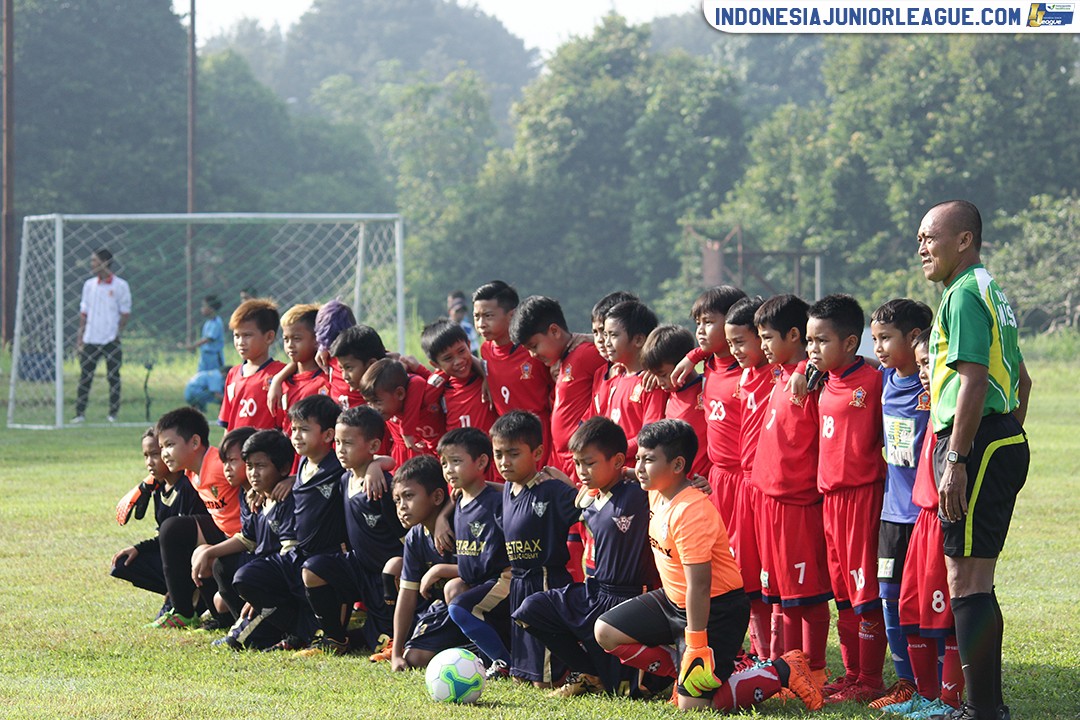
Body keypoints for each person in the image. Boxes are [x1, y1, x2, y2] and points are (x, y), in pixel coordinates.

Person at [593, 419, 822, 712]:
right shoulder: (657, 486)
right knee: (606, 631)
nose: (638, 467)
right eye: (637, 458)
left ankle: (782, 670)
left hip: (716, 610)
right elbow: (630, 473)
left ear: (677, 465)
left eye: (648, 460)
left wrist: (697, 644)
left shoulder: (691, 511)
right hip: (674, 602)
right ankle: (685, 674)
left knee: (694, 708)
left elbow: (700, 586)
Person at [918, 199, 1031, 720]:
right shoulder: (992, 291)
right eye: (919, 239)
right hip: (999, 437)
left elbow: (973, 380)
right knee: (977, 580)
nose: (922, 247)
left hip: (976, 441)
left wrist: (960, 456)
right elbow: (1021, 380)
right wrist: (1007, 434)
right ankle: (988, 707)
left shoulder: (963, 294)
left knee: (965, 581)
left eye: (931, 237)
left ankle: (979, 711)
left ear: (964, 240)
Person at [513, 417, 656, 697]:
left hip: (629, 598)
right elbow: (577, 497)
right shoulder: (587, 498)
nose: (582, 471)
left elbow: (670, 486)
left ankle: (628, 672)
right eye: (578, 463)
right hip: (594, 592)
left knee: (626, 693)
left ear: (616, 461)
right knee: (530, 611)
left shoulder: (639, 494)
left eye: (589, 463)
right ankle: (590, 672)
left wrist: (694, 482)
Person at [806, 293, 889, 704]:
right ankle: (853, 673)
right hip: (830, 501)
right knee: (842, 593)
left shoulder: (874, 383)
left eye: (821, 341)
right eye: (809, 341)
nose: (812, 350)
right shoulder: (820, 380)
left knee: (865, 591)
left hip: (862, 499)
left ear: (851, 343)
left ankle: (871, 679)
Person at [750, 294, 831, 685]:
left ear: (795, 335)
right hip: (768, 500)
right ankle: (786, 670)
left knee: (807, 595)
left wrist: (806, 366)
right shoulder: (782, 374)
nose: (762, 345)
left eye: (767, 337)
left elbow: (849, 368)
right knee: (780, 595)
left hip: (797, 504)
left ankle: (813, 672)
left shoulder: (810, 376)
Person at [887, 329, 965, 716]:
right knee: (911, 610)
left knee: (945, 618)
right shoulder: (930, 406)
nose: (922, 371)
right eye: (920, 364)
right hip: (921, 520)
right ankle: (926, 696)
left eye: (929, 363)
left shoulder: (957, 415)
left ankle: (948, 703)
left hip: (943, 521)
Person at [233, 395, 347, 650]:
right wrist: (291, 480)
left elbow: (368, 467)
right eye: (294, 429)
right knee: (246, 577)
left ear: (328, 436)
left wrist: (378, 466)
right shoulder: (305, 464)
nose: (296, 436)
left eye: (304, 430)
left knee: (311, 585)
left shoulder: (339, 466)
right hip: (298, 554)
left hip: (325, 556)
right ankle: (295, 628)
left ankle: (312, 635)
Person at [866, 297, 934, 711]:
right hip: (891, 512)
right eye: (874, 339)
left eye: (886, 338)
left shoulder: (933, 384)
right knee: (889, 594)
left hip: (923, 512)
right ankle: (905, 681)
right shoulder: (882, 380)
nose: (878, 348)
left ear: (914, 338)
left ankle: (935, 685)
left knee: (923, 600)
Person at [298, 405, 404, 657]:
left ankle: (394, 639)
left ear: (373, 444)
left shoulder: (383, 487)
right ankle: (334, 638)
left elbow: (405, 537)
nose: (340, 449)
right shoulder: (345, 478)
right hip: (358, 567)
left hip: (387, 576)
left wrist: (377, 465)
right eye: (337, 442)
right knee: (312, 569)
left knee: (378, 641)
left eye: (347, 443)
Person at [494, 410, 579, 687]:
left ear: (538, 452)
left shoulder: (551, 489)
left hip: (545, 579)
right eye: (498, 454)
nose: (504, 462)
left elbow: (588, 507)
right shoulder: (507, 489)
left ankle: (574, 670)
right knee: (522, 677)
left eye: (513, 453)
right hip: (518, 580)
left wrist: (567, 483)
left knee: (544, 680)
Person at [194, 429, 297, 650]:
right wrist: (210, 552)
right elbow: (249, 538)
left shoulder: (289, 498)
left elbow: (290, 553)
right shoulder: (254, 496)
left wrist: (258, 591)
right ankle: (246, 621)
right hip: (263, 575)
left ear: (284, 468)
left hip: (281, 582)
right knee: (224, 564)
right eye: (249, 466)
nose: (252, 473)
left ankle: (288, 629)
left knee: (238, 643)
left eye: (259, 466)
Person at [151, 407, 243, 629]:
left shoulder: (219, 465)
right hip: (224, 532)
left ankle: (224, 616)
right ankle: (183, 610)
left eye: (170, 445)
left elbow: (250, 474)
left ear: (194, 443)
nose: (164, 453)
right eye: (161, 447)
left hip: (245, 538)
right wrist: (144, 485)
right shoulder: (191, 470)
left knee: (204, 557)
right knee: (173, 530)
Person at [436, 428, 513, 677]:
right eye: (445, 463)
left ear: (481, 461)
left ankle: (504, 663)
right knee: (454, 591)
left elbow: (514, 492)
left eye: (456, 461)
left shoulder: (496, 500)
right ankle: (488, 659)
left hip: (502, 578)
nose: (449, 469)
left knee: (461, 608)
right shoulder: (458, 499)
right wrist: (442, 517)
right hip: (477, 581)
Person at [725, 296, 777, 661]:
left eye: (741, 342)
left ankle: (784, 657)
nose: (736, 351)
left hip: (772, 487)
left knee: (773, 578)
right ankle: (760, 653)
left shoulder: (787, 373)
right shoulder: (745, 373)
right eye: (731, 344)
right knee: (746, 576)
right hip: (743, 486)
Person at [670, 286, 748, 527]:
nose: (700, 330)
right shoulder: (710, 364)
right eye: (698, 323)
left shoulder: (751, 370)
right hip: (716, 477)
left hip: (744, 479)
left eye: (708, 322)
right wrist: (695, 355)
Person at [509, 295, 606, 483]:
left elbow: (619, 352)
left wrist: (592, 339)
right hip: (564, 461)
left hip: (583, 461)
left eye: (534, 346)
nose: (532, 354)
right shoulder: (561, 362)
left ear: (554, 331)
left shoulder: (585, 353)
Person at [110, 427, 205, 615]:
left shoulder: (189, 486)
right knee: (123, 563)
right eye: (145, 456)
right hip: (175, 559)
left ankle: (186, 601)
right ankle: (180, 593)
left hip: (196, 560)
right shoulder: (158, 489)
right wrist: (139, 549)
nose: (149, 462)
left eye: (155, 454)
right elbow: (164, 536)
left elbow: (189, 539)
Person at [388, 455, 469, 670]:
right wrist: (396, 653)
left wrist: (440, 570)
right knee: (414, 658)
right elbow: (406, 594)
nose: (401, 507)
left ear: (437, 497)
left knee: (456, 588)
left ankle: (488, 653)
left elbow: (483, 571)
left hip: (480, 603)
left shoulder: (461, 523)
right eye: (397, 500)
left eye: (408, 496)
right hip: (442, 607)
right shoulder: (415, 536)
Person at [474, 281, 555, 463]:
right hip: (506, 439)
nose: (481, 324)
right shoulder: (485, 349)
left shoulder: (534, 349)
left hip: (538, 435)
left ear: (511, 315)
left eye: (488, 316)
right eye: (476, 316)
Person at [641, 325, 710, 479]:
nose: (659, 382)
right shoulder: (667, 394)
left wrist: (694, 357)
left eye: (663, 374)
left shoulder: (706, 388)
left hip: (702, 483)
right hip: (676, 485)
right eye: (655, 375)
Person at [73, 248, 131, 423]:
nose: (92, 264)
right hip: (91, 338)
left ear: (105, 262)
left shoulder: (120, 285)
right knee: (85, 377)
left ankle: (113, 414)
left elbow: (125, 313)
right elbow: (84, 313)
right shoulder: (89, 285)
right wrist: (80, 338)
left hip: (110, 339)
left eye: (94, 261)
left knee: (113, 377)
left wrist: (116, 332)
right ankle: (80, 414)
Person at [602, 300, 665, 460]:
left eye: (614, 335)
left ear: (638, 340)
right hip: (612, 467)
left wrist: (614, 453)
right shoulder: (616, 377)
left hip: (634, 474)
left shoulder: (651, 382)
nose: (606, 342)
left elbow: (649, 434)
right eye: (605, 335)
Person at [360, 358, 445, 467]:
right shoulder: (389, 407)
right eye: (369, 402)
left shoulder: (425, 399)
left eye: (377, 401)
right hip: (401, 462)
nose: (373, 408)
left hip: (434, 460)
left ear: (400, 394)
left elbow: (420, 381)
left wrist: (407, 431)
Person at [420, 320, 498, 434]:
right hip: (454, 451)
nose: (458, 361)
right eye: (448, 358)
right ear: (435, 365)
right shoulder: (439, 390)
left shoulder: (488, 379)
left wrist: (486, 375)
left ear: (469, 345)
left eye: (461, 351)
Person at [218, 298, 285, 431]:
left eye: (247, 335)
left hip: (266, 450)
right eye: (236, 335)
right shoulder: (233, 374)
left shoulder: (281, 374)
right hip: (236, 451)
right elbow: (227, 424)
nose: (240, 342)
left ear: (269, 337)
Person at [278, 303, 328, 437]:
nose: (290, 345)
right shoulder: (283, 383)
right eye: (286, 339)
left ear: (317, 339)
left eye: (297, 339)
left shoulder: (328, 378)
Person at [182, 295, 226, 413]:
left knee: (217, 381)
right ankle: (199, 406)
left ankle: (223, 407)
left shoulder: (217, 322)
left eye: (204, 306)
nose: (202, 309)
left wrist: (192, 346)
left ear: (211, 308)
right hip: (205, 357)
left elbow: (208, 339)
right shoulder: (208, 323)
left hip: (214, 357)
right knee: (202, 380)